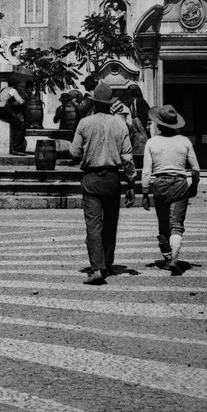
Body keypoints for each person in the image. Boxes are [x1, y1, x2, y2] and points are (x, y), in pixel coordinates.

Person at [70, 81, 136, 285]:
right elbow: (127, 157)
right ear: (110, 104)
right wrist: (131, 182)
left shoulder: (84, 123)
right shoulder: (120, 124)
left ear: (94, 103)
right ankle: (107, 262)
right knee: (110, 222)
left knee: (93, 224)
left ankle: (97, 268)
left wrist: (84, 154)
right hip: (113, 179)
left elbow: (74, 151)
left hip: (91, 178)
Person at [140, 104, 200, 276]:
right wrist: (194, 185)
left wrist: (145, 192)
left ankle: (167, 257)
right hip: (180, 183)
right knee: (177, 224)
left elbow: (146, 171)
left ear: (158, 124)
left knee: (163, 222)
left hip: (160, 184)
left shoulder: (152, 142)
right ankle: (174, 258)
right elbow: (195, 169)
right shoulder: (184, 141)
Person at [0, 78, 27, 155]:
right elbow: (20, 102)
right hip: (5, 110)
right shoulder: (13, 90)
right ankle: (17, 149)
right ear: (15, 85)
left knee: (14, 123)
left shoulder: (3, 90)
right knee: (20, 128)